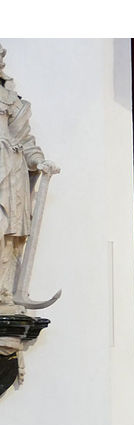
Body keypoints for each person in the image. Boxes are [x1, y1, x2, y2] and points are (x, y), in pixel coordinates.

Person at [0, 43, 59, 310]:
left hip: (11, 175)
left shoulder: (13, 101)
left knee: (10, 233)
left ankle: (4, 292)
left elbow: (24, 141)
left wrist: (39, 162)